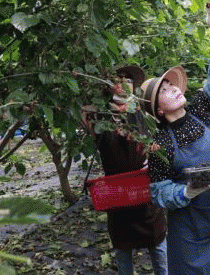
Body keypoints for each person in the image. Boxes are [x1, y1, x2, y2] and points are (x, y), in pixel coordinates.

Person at [140, 3, 210, 275]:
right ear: (158, 110)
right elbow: (158, 192)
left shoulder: (200, 112)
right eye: (165, 91)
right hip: (191, 230)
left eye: (172, 85)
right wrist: (186, 192)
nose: (173, 90)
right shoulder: (160, 144)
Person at [85, 65, 168, 275]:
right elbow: (83, 112)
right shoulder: (100, 115)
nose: (122, 83)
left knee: (157, 243)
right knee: (122, 247)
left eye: (128, 80)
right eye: (117, 79)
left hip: (143, 186)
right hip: (117, 191)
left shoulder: (142, 111)